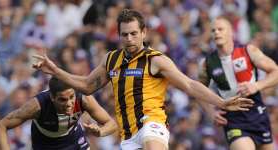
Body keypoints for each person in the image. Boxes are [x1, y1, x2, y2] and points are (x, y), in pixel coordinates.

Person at [32, 9, 254, 150]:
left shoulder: (156, 60)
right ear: (118, 35)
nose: (129, 39)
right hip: (127, 136)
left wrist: (221, 102)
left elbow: (189, 84)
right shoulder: (111, 59)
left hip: (152, 124)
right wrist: (56, 71)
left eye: (134, 33)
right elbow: (87, 86)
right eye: (124, 34)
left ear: (144, 33)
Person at [198, 16, 278, 150]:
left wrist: (257, 86)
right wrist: (211, 112)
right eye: (213, 31)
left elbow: (275, 71)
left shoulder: (248, 51)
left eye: (220, 29)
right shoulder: (207, 63)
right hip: (233, 118)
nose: (216, 33)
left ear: (231, 32)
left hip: (257, 113)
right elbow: (198, 90)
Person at [0, 77, 117, 150]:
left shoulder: (83, 98)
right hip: (45, 146)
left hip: (75, 143)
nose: (69, 103)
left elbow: (111, 124)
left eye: (71, 97)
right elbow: (1, 126)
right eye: (63, 99)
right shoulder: (37, 106)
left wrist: (101, 132)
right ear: (52, 97)